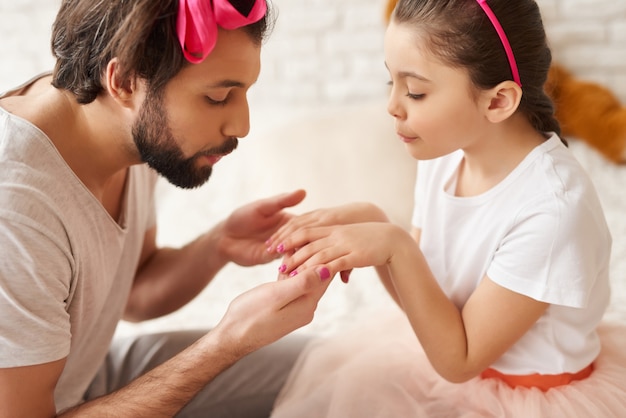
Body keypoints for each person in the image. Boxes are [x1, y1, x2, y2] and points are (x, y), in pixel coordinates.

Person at [267, 0, 626, 416]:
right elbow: (429, 311)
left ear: (497, 102)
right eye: (392, 84)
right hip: (449, 366)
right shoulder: (445, 155)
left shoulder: (554, 209)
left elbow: (459, 359)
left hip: (531, 396)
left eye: (415, 91)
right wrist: (376, 225)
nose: (392, 107)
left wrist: (395, 246)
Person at [0, 0, 334, 417]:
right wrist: (225, 343)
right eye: (217, 97)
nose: (242, 126)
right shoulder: (16, 206)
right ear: (122, 80)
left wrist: (218, 244)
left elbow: (134, 293)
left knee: (331, 367)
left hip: (80, 382)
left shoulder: (131, 129)